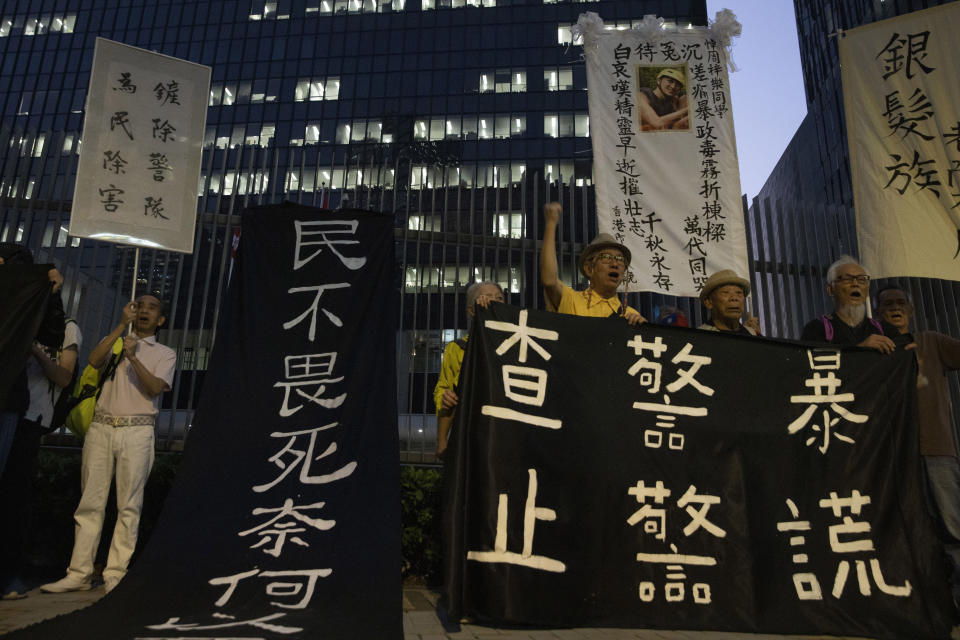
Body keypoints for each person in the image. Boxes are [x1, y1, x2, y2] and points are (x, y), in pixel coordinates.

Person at [41, 295, 176, 595]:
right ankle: (78, 573)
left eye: (152, 308)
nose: (144, 310)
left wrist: (134, 358)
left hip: (137, 430)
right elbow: (92, 360)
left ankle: (116, 571)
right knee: (90, 502)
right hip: (102, 425)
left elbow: (155, 388)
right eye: (140, 305)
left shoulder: (165, 353)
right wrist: (120, 327)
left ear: (161, 320)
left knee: (129, 505)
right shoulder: (116, 339)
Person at [877, 285, 960, 605]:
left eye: (901, 303)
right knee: (904, 527)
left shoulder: (932, 341)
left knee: (952, 524)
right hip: (891, 453)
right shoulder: (875, 346)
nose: (895, 308)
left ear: (911, 310)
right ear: (878, 311)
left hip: (936, 449)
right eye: (887, 304)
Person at [540, 202, 645, 325]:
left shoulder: (630, 315)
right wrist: (551, 225)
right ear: (589, 269)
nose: (615, 264)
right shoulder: (570, 299)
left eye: (620, 259)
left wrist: (643, 328)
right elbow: (549, 281)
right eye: (606, 257)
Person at [433, 282, 505, 459]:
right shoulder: (457, 348)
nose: (495, 302)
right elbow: (445, 390)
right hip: (471, 433)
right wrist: (442, 440)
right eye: (488, 297)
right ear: (472, 310)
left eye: (500, 298)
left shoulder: (514, 344)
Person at [799, 255, 897, 351]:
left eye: (861, 280)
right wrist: (860, 350)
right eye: (847, 279)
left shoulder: (885, 330)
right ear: (830, 290)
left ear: (867, 290)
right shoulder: (818, 329)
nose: (855, 284)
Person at [697, 269, 761, 336]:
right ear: (709, 302)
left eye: (739, 293)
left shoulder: (753, 334)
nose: (734, 298)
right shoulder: (699, 337)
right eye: (725, 293)